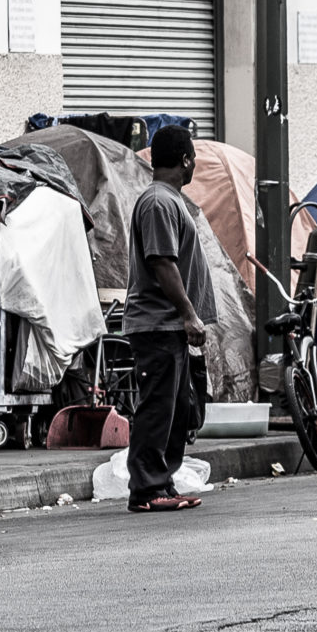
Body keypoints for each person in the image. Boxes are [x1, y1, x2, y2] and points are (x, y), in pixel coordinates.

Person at [122, 125, 218, 512]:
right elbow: (162, 262)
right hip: (158, 323)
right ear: (185, 160)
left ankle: (162, 481)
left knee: (178, 411)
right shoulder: (160, 202)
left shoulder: (168, 200)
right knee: (158, 409)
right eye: (193, 157)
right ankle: (146, 490)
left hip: (170, 326)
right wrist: (189, 314)